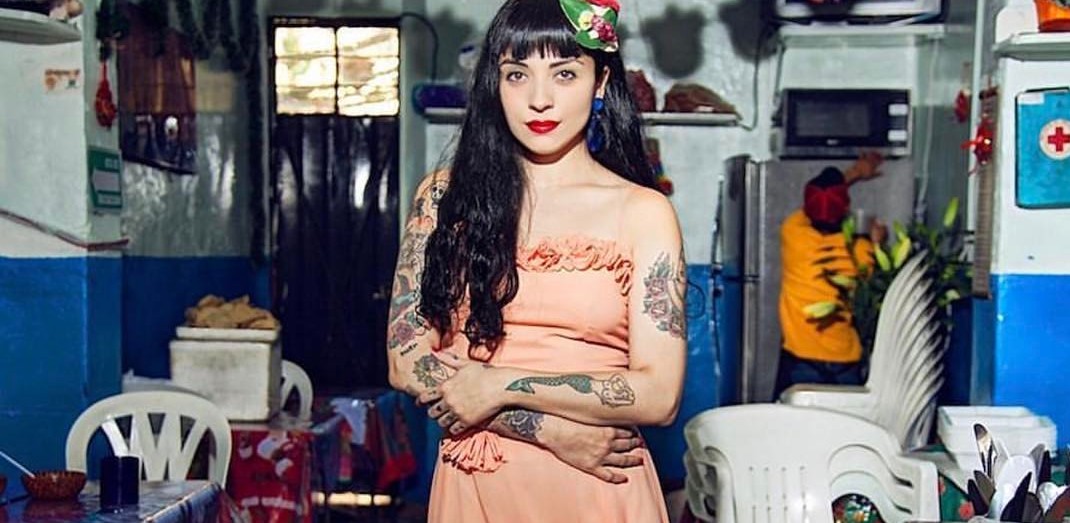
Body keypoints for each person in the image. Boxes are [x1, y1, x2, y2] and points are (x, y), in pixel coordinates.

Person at [385, 0, 687, 521]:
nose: (539, 99)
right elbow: (406, 360)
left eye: (564, 73)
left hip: (600, 486)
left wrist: (500, 383)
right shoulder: (443, 199)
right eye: (517, 74)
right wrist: (550, 431)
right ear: (495, 84)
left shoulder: (644, 212)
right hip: (481, 481)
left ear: (599, 82)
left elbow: (660, 394)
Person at [774, 152, 887, 399]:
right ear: (845, 208)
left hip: (800, 358)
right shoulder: (862, 251)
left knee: (791, 422)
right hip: (846, 362)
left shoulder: (793, 234)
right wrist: (879, 242)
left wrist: (854, 173)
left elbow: (820, 202)